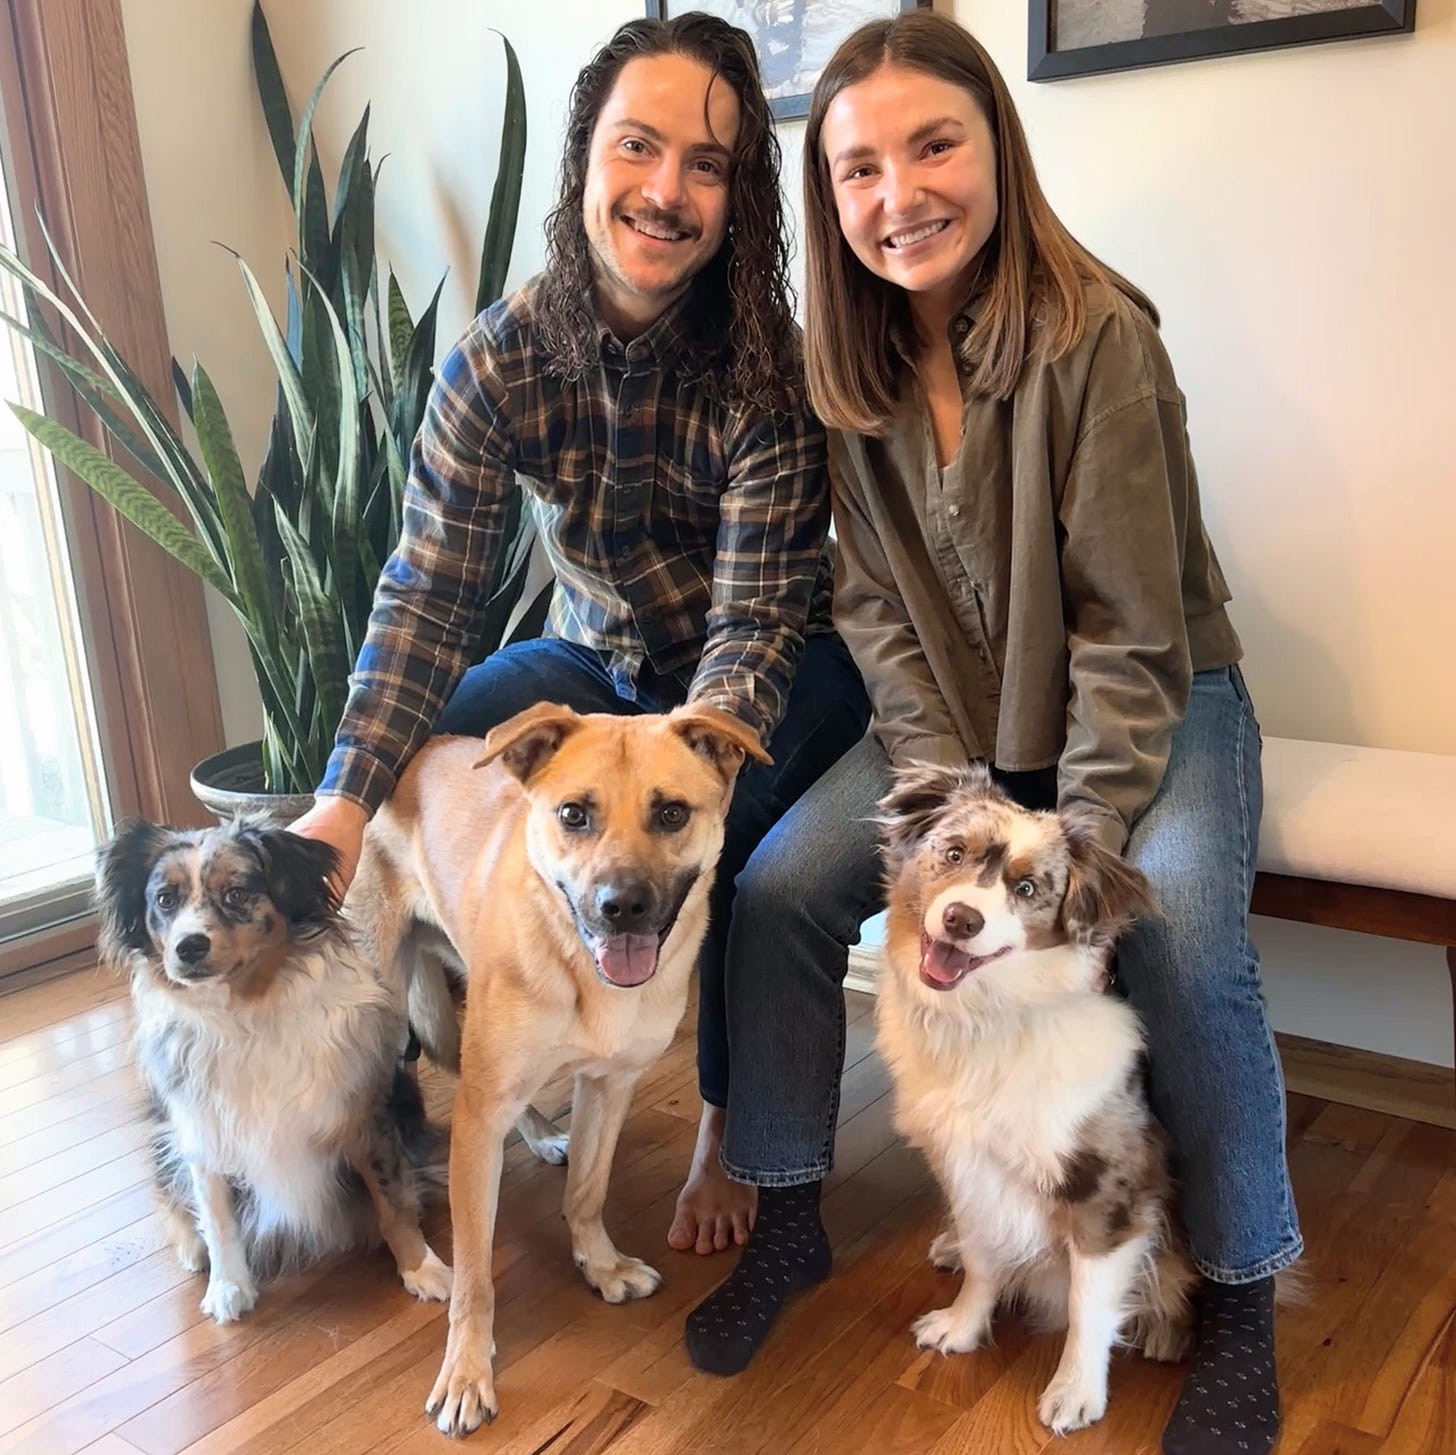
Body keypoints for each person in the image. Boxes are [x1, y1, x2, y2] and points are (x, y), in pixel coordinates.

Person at [689, 11, 1302, 1455]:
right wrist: (946, 801)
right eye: (858, 170)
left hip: (1158, 702)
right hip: (960, 742)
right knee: (779, 887)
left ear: (996, 149)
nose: (897, 194)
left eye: (932, 145)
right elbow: (876, 621)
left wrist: (1062, 857)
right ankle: (786, 1208)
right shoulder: (842, 376)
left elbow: (1133, 637)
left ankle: (1243, 1289)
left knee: (1185, 936)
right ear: (827, 200)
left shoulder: (1103, 339)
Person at [288, 12, 869, 1262]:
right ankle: (436, 1065)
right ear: (584, 159)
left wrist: (680, 756)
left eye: (705, 165)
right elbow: (429, 595)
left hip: (768, 670)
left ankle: (723, 1131)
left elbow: (755, 619)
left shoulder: (770, 374)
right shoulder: (495, 362)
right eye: (638, 147)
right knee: (426, 759)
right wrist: (339, 806)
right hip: (594, 657)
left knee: (737, 854)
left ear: (737, 198)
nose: (666, 190)